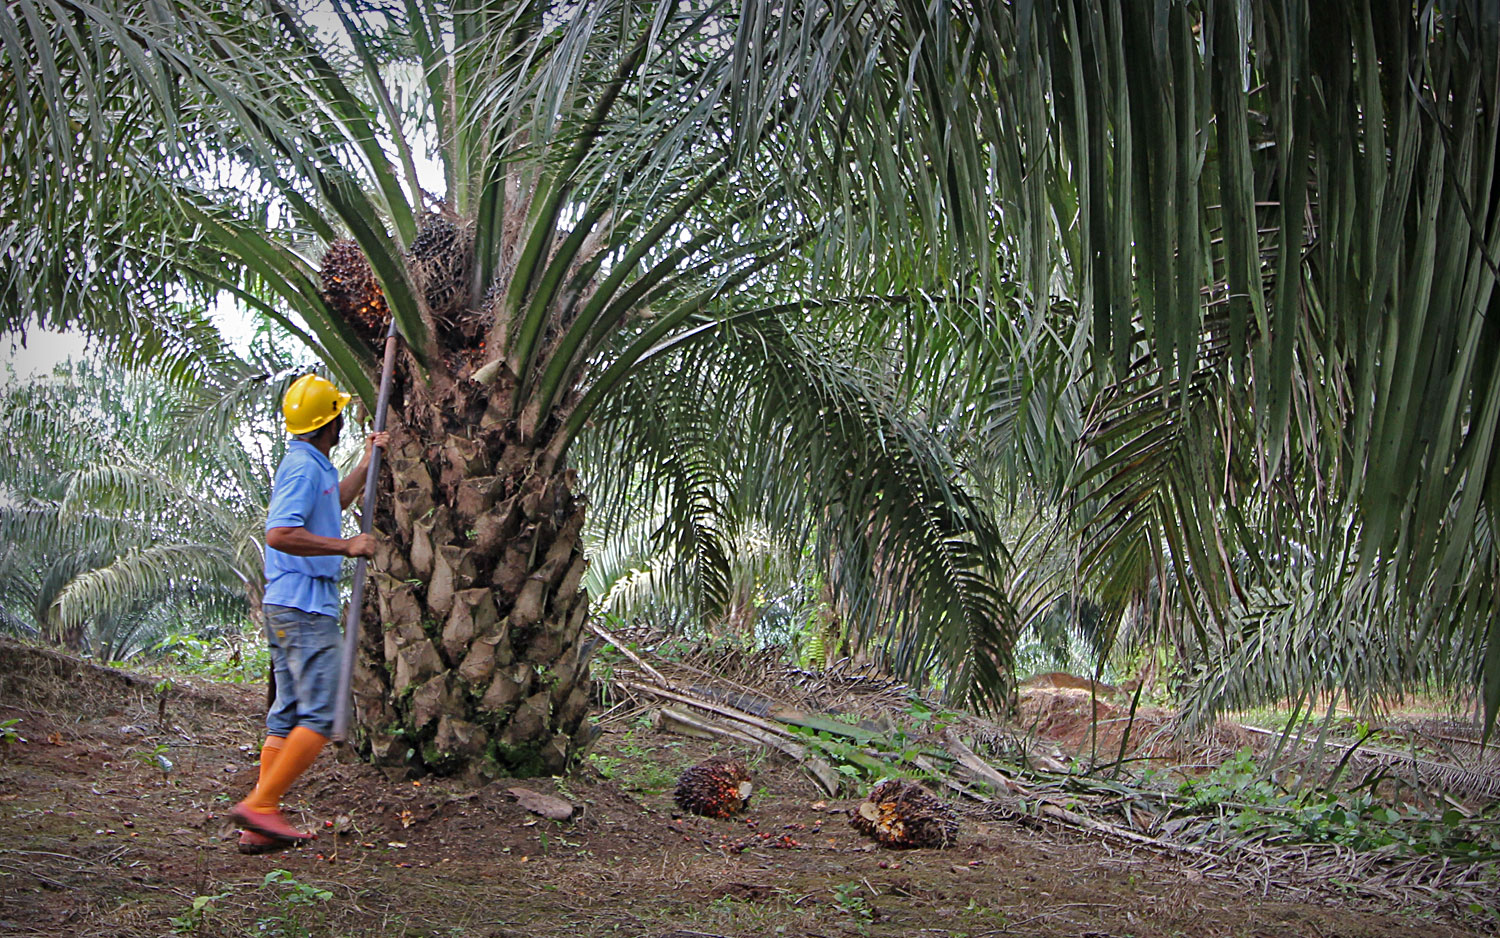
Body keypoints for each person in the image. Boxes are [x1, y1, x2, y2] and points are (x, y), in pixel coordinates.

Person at [231, 373, 386, 854]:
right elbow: (280, 533)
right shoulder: (301, 468)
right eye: (338, 414)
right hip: (302, 605)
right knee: (322, 709)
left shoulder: (314, 465)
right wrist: (347, 546)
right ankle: (261, 804)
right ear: (330, 421)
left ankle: (261, 823)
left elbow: (336, 501)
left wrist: (366, 459)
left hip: (292, 603)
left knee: (289, 713)